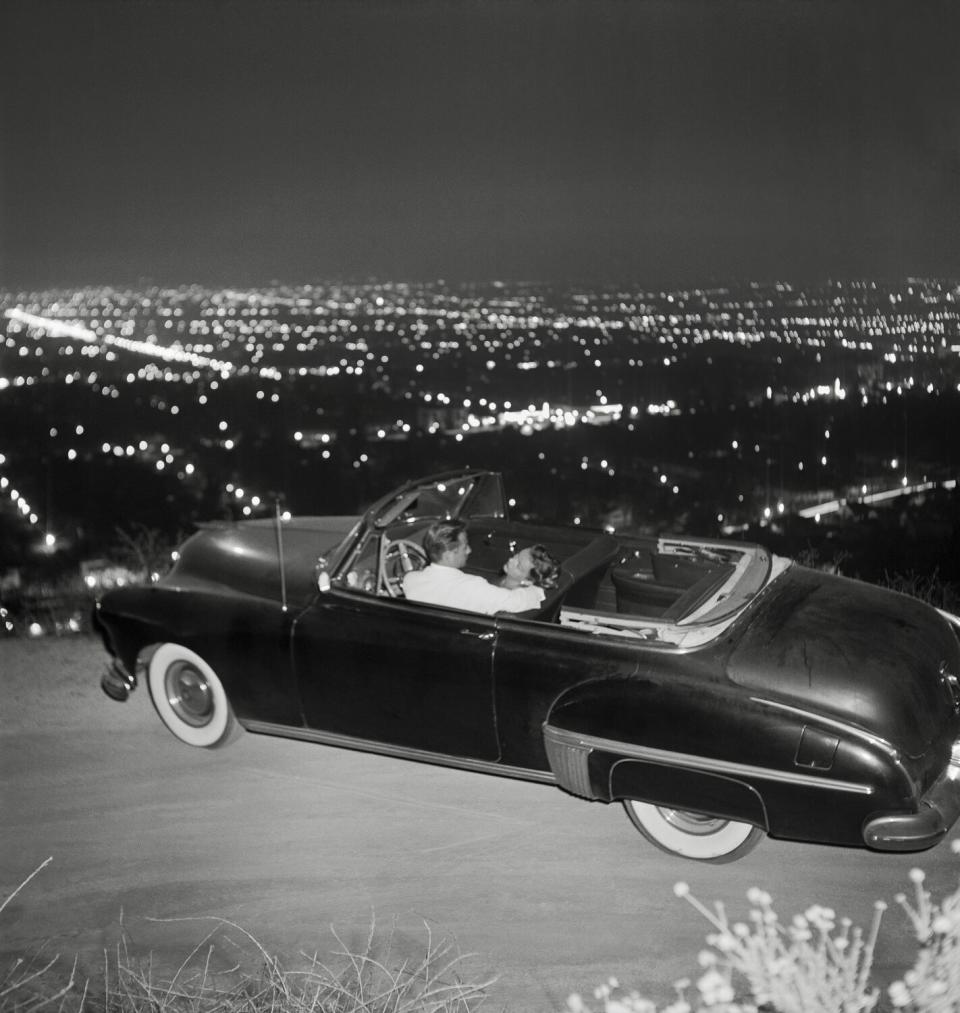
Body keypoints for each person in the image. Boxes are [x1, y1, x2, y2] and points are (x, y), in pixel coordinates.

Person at [403, 520, 546, 615]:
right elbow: (516, 602)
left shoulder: (410, 580)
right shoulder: (473, 587)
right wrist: (539, 588)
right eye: (465, 547)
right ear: (448, 555)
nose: (469, 551)